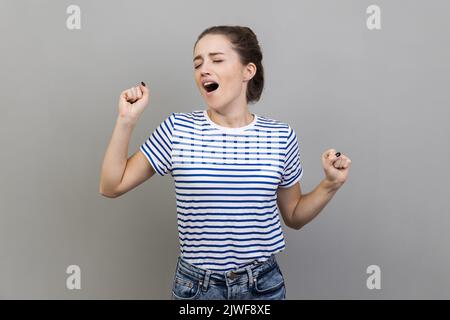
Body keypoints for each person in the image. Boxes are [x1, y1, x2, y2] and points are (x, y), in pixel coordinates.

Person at [99, 25, 352, 300]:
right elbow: (112, 186)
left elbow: (294, 216)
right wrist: (126, 120)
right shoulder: (177, 129)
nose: (204, 69)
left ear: (248, 71)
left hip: (262, 286)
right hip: (197, 288)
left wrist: (330, 185)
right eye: (198, 63)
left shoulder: (280, 136)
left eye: (217, 60)